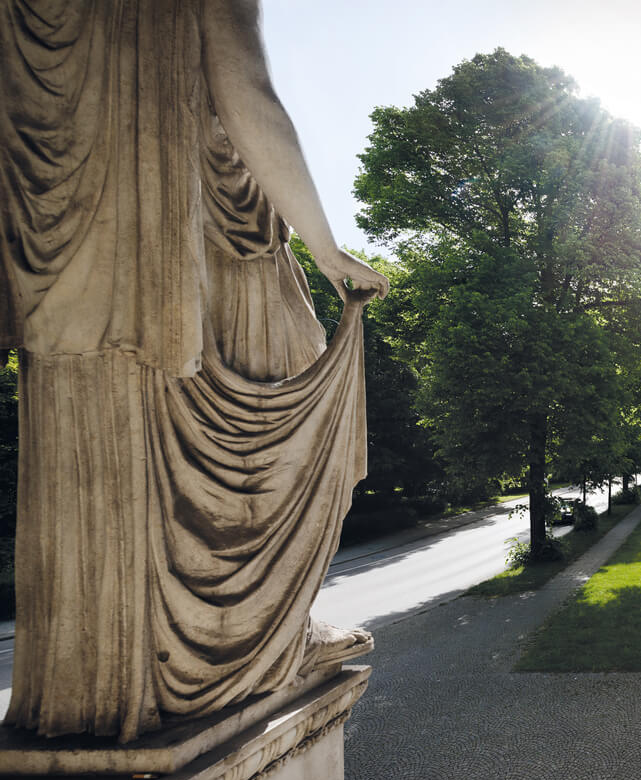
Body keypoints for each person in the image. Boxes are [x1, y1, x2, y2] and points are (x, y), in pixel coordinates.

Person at [0, 0, 388, 741]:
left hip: (64, 243)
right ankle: (251, 640)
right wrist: (326, 249)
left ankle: (96, 670)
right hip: (188, 238)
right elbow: (244, 87)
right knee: (292, 386)